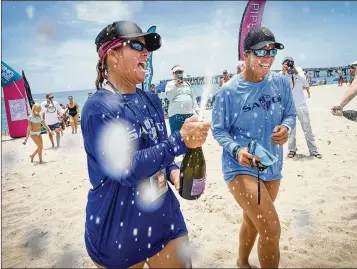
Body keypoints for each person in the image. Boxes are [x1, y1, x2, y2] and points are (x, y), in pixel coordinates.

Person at [81, 20, 210, 269]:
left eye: (146, 47)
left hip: (163, 217)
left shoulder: (150, 98)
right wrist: (180, 141)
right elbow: (126, 170)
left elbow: (161, 147)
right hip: (118, 227)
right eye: (136, 45)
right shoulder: (98, 108)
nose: (146, 52)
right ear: (112, 55)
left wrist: (174, 173)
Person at [212, 27, 296, 269]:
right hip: (240, 166)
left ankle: (242, 262)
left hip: (271, 163)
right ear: (246, 55)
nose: (268, 57)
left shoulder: (280, 83)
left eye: (272, 51)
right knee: (270, 228)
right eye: (261, 51)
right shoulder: (228, 92)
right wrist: (237, 149)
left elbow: (290, 114)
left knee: (252, 220)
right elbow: (218, 130)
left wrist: (286, 128)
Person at [280, 57, 322, 159]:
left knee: (307, 128)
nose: (286, 65)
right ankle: (292, 150)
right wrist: (286, 73)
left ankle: (313, 151)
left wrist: (295, 73)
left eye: (288, 63)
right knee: (291, 131)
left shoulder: (298, 70)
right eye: (284, 63)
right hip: (289, 107)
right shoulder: (281, 75)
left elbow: (306, 84)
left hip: (301, 105)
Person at [165, 65, 199, 134]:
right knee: (176, 137)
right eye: (176, 72)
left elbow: (193, 99)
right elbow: (169, 97)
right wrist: (176, 86)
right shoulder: (170, 84)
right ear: (173, 74)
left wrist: (197, 110)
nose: (178, 74)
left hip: (189, 114)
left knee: (190, 136)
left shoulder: (188, 84)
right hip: (175, 115)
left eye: (180, 72)